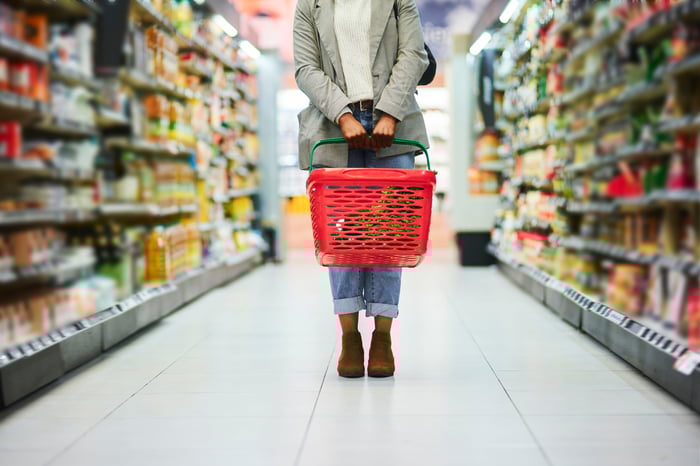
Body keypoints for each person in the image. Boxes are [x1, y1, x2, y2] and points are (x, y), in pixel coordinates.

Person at [294, 0, 430, 378]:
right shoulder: (310, 4)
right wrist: (342, 113)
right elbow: (306, 68)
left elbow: (413, 54)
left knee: (390, 235)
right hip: (332, 126)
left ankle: (383, 335)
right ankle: (350, 336)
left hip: (395, 125)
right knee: (342, 238)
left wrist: (389, 112)